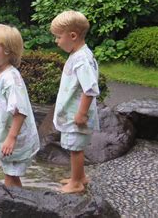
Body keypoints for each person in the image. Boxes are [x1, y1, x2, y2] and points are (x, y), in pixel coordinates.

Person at [0, 24, 39, 187]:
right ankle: (15, 204)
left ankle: (14, 207)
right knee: (11, 175)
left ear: (8, 51)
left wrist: (11, 138)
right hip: (12, 138)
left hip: (16, 140)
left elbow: (19, 111)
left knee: (11, 177)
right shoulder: (2, 74)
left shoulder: (10, 79)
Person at [50, 10, 100, 193]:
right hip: (74, 112)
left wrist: (81, 113)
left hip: (76, 114)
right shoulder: (80, 55)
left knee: (75, 148)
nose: (56, 41)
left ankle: (76, 183)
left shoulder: (81, 60)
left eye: (58, 37)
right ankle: (80, 176)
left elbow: (90, 88)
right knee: (76, 146)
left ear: (73, 36)